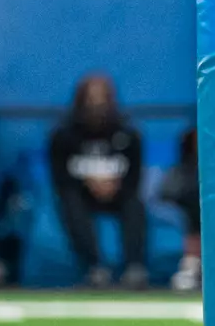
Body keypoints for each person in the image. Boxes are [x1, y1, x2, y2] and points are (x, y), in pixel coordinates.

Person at [48, 74, 148, 289]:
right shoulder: (63, 136)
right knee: (70, 203)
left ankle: (134, 267)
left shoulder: (128, 134)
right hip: (81, 193)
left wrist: (113, 186)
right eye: (91, 99)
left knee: (135, 204)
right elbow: (60, 178)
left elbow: (135, 176)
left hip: (118, 193)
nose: (97, 106)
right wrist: (88, 183)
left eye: (102, 99)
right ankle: (94, 267)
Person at [159, 126, 201, 292]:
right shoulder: (182, 169)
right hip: (186, 208)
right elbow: (167, 193)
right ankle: (191, 264)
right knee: (195, 203)